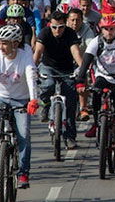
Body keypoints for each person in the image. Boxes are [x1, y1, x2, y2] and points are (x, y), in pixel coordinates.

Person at [0, 25, 38, 189]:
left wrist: (33, 100)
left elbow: (31, 77)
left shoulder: (25, 56)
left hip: (21, 99)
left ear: (15, 44)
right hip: (0, 96)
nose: (1, 47)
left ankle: (24, 172)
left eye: (5, 43)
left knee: (24, 133)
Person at [75, 15, 115, 167]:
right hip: (103, 76)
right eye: (106, 29)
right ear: (101, 30)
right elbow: (86, 61)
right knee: (96, 92)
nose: (109, 32)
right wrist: (80, 81)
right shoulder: (97, 42)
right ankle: (97, 122)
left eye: (112, 29)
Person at [33, 11, 83, 148]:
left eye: (61, 27)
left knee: (71, 101)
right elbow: (38, 52)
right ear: (50, 25)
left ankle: (70, 137)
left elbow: (75, 52)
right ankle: (46, 104)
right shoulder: (44, 33)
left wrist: (82, 70)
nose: (57, 30)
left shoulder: (70, 34)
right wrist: (32, 69)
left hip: (67, 70)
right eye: (54, 27)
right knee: (48, 85)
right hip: (48, 67)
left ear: (65, 24)